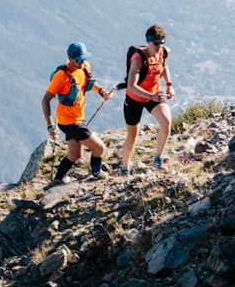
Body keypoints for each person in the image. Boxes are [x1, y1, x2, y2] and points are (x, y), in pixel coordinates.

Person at [42, 42, 112, 185]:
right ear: (70, 58)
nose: (81, 62)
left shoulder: (84, 67)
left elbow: (88, 85)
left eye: (83, 58)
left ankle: (58, 179)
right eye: (78, 60)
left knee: (74, 155)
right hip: (68, 122)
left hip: (79, 118)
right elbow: (46, 100)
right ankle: (96, 173)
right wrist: (50, 126)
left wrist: (101, 92)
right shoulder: (61, 76)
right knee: (99, 148)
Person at [119, 23, 176, 175]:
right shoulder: (138, 59)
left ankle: (158, 157)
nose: (159, 46)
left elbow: (163, 67)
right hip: (134, 99)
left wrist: (169, 85)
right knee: (132, 137)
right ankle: (124, 168)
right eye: (156, 43)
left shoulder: (164, 52)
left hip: (153, 94)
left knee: (166, 122)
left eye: (162, 43)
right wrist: (151, 96)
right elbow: (131, 85)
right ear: (148, 41)